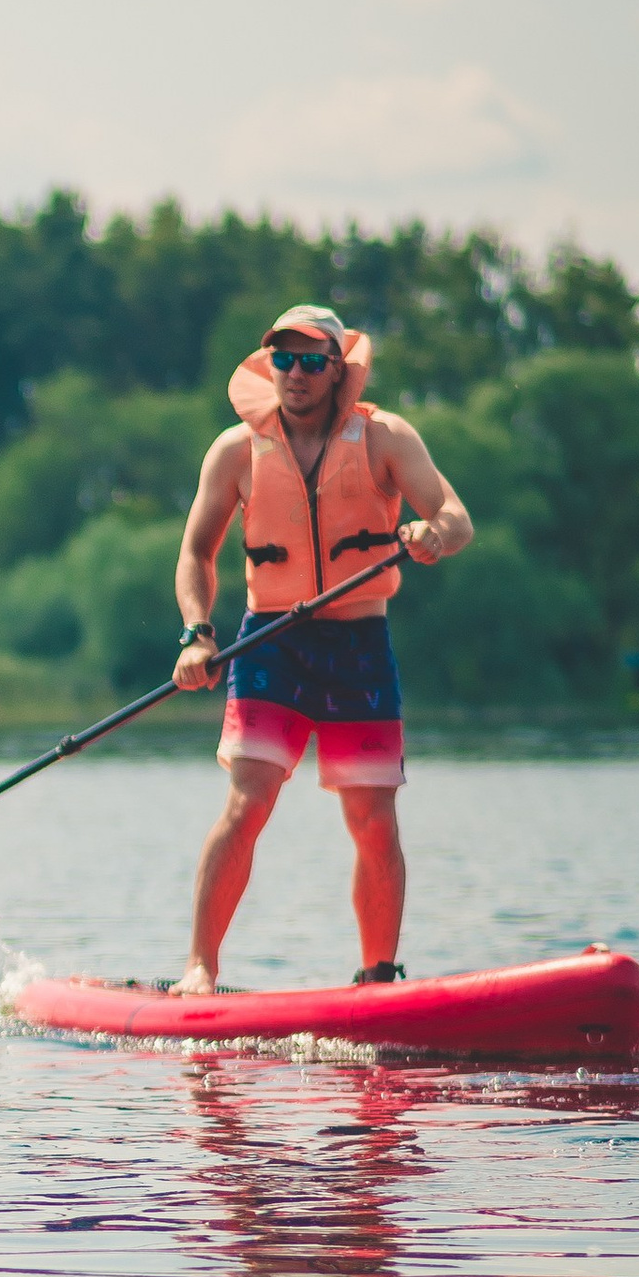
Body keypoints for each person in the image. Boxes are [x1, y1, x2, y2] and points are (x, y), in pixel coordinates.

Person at [170, 305, 471, 993]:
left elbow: (457, 517)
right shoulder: (236, 449)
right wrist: (196, 633)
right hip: (270, 645)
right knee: (248, 803)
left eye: (312, 360)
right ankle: (199, 971)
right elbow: (196, 552)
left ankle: (379, 977)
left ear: (340, 369)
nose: (297, 373)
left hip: (358, 647)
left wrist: (432, 533)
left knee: (372, 820)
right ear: (267, 365)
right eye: (284, 358)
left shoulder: (385, 437)